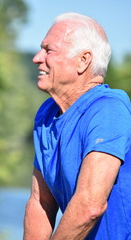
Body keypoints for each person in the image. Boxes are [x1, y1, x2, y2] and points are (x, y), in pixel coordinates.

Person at [23, 12, 131, 240]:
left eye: (48, 50)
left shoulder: (108, 108)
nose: (37, 58)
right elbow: (40, 202)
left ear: (83, 60)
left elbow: (89, 206)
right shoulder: (46, 114)